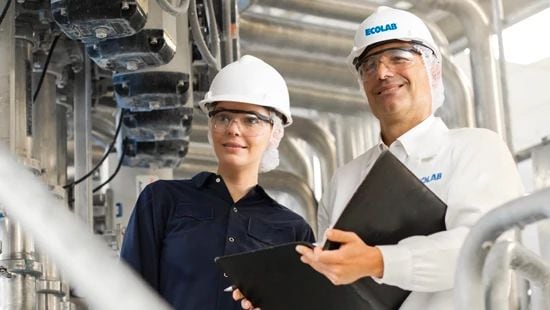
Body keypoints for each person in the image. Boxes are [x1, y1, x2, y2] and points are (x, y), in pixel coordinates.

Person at [235, 6, 524, 310]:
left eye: (399, 57)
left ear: (432, 69)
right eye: (369, 64)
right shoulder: (345, 179)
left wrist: (378, 261)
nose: (383, 73)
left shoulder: (476, 149)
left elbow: (483, 249)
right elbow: (333, 287)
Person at [120, 55, 315, 310]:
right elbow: (124, 294)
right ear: (211, 124)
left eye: (251, 119)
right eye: (223, 117)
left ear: (274, 132)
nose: (234, 129)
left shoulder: (293, 232)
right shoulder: (162, 201)